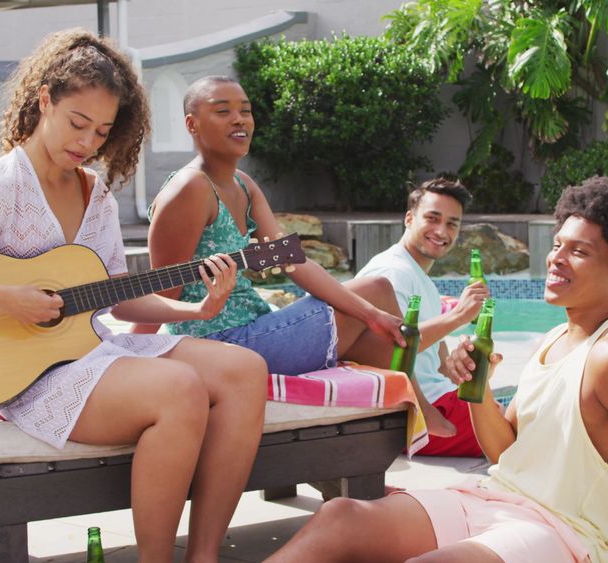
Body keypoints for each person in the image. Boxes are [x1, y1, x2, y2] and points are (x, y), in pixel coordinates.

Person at [0, 30, 267, 563]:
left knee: (246, 369)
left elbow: (118, 299)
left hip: (87, 350)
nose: (87, 142)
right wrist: (4, 298)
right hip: (20, 376)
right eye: (77, 123)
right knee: (180, 390)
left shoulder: (95, 193)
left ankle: (203, 558)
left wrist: (195, 310)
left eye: (102, 132)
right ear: (43, 101)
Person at [258, 176, 608, 563]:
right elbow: (506, 451)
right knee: (341, 517)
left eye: (578, 251)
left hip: (561, 533)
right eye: (558, 244)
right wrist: (479, 392)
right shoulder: (556, 339)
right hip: (497, 499)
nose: (556, 258)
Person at [133, 75, 454, 436]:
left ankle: (380, 434)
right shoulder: (190, 189)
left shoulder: (243, 185)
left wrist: (371, 315)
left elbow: (294, 260)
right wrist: (128, 354)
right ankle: (420, 413)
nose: (240, 120)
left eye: (246, 111)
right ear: (192, 124)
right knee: (376, 291)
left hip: (255, 327)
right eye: (223, 111)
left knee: (375, 319)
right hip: (220, 344)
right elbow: (162, 291)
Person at [356, 177, 490, 457]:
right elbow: (386, 351)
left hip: (439, 399)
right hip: (417, 414)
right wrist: (457, 315)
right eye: (432, 218)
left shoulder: (419, 277)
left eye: (452, 224)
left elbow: (435, 362)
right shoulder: (392, 274)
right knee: (522, 431)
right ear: (409, 218)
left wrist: (461, 366)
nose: (442, 231)